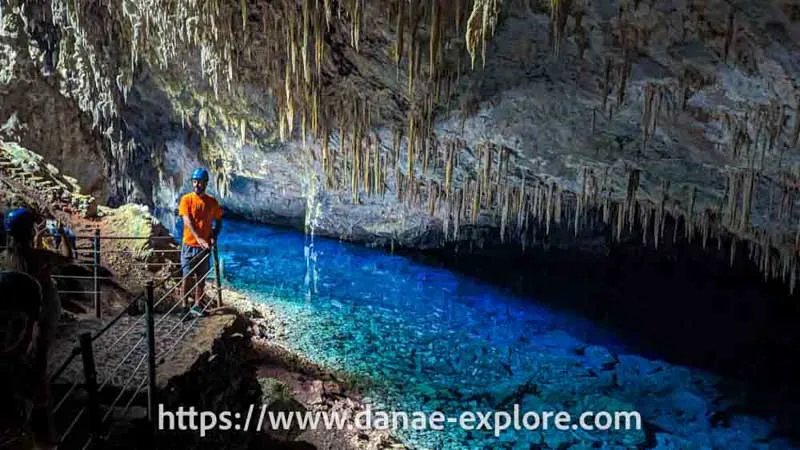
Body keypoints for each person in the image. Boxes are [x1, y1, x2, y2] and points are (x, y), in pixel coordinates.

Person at [0, 207, 61, 447]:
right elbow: (67, 257)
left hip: (14, 323)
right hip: (34, 316)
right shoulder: (38, 258)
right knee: (38, 364)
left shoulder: (4, 258)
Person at [178, 168, 223, 317]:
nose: (196, 185)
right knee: (186, 277)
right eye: (194, 182)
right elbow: (187, 220)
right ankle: (184, 307)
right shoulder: (186, 199)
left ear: (205, 183)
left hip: (205, 248)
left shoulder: (212, 202)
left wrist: (214, 235)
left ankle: (197, 305)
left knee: (201, 278)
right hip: (189, 246)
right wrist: (199, 238)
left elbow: (219, 219)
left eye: (200, 182)